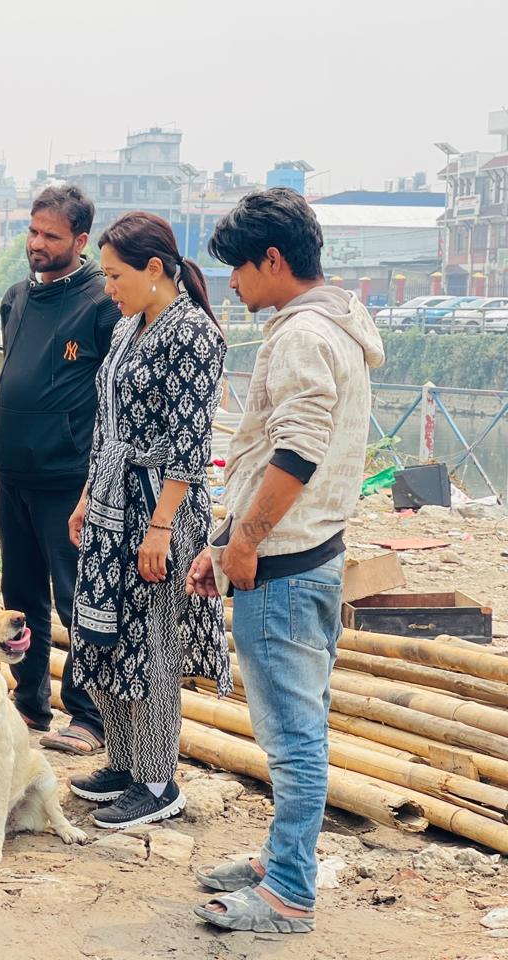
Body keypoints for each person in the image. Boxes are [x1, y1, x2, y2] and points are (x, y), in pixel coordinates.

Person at [189, 188, 384, 934]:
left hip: (284, 565)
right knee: (304, 724)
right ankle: (281, 858)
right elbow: (278, 452)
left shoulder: (302, 335)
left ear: (272, 260)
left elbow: (296, 453)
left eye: (237, 269)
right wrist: (224, 540)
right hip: (310, 555)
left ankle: (289, 896)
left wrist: (243, 543)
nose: (231, 284)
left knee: (292, 737)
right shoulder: (337, 319)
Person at [66, 212, 231, 829]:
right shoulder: (131, 327)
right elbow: (106, 422)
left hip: (160, 505)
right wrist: (88, 494)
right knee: (107, 634)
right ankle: (124, 759)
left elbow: (188, 443)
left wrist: (160, 527)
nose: (107, 287)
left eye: (114, 274)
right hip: (112, 500)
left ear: (154, 268)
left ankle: (159, 780)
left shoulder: (193, 335)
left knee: (153, 640)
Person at [0, 185, 118, 757]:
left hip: (68, 480)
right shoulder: (16, 297)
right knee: (20, 599)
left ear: (81, 241)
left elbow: (115, 396)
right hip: (12, 473)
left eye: (52, 236)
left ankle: (89, 717)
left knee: (77, 598)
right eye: (33, 232)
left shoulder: (101, 304)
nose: (37, 244)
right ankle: (29, 702)